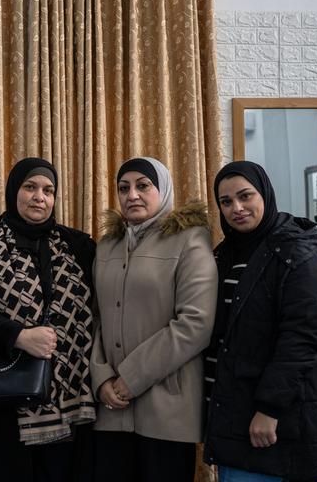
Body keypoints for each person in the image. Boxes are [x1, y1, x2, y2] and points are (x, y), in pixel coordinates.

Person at [203, 161, 317, 482]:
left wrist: (269, 410)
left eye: (245, 196)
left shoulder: (294, 250)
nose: (237, 208)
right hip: (235, 416)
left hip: (279, 419)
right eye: (226, 202)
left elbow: (301, 338)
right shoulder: (223, 253)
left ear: (265, 194)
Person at [0, 157, 96, 482]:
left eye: (48, 190)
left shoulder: (78, 247)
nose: (39, 197)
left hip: (70, 402)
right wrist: (16, 335)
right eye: (30, 187)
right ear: (12, 191)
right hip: (3, 403)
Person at [90, 157, 217, 481]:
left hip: (167, 410)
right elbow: (96, 317)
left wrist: (129, 379)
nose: (132, 195)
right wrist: (102, 377)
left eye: (143, 186)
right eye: (124, 187)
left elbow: (195, 325)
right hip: (111, 409)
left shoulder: (190, 240)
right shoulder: (106, 246)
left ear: (162, 189)